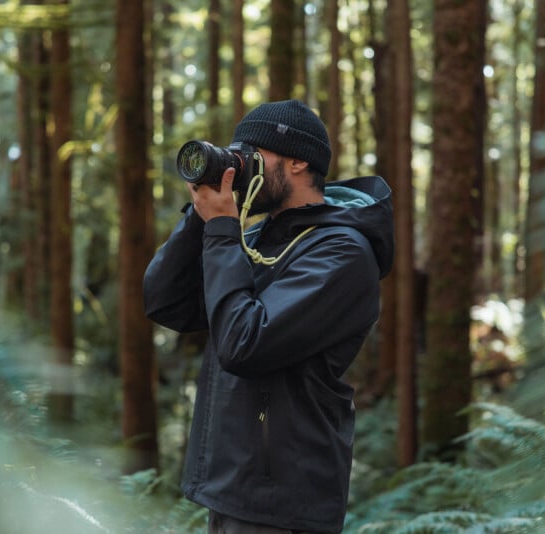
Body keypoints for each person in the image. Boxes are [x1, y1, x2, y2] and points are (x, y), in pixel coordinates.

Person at [143, 99, 394, 534]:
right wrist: (202, 219)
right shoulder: (255, 236)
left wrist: (223, 230)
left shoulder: (343, 252)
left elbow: (246, 343)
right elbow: (166, 302)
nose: (240, 169)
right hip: (231, 487)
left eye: (253, 158)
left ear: (299, 161)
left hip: (281, 500)